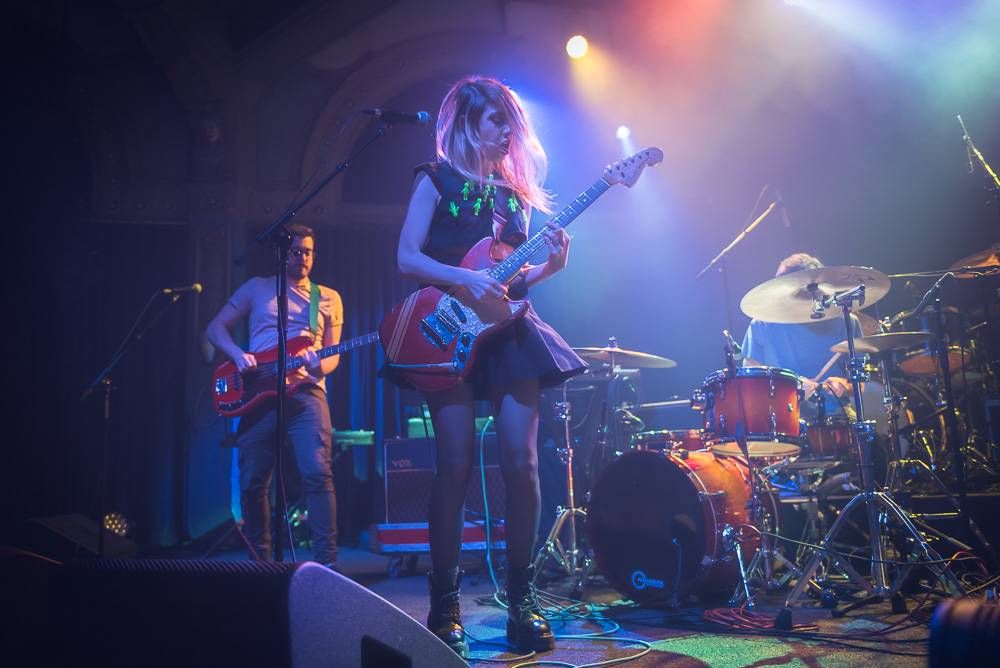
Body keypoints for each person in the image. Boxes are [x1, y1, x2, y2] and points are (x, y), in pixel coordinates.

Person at [386, 76, 586, 656]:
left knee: (523, 464)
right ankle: (445, 605)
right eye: (497, 121)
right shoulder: (435, 179)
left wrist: (550, 270)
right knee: (453, 464)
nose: (507, 133)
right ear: (468, 123)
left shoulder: (512, 194)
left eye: (512, 124)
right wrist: (463, 278)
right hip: (447, 327)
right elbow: (407, 257)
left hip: (508, 332)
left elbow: (511, 279)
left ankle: (521, 602)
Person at [206, 224, 343, 570]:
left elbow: (333, 355)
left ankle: (327, 566)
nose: (303, 258)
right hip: (257, 391)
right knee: (253, 482)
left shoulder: (328, 297)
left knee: (317, 473)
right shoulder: (257, 288)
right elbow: (214, 328)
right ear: (282, 253)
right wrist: (238, 355)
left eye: (308, 252)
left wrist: (318, 364)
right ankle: (260, 565)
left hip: (306, 393)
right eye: (296, 251)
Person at [740, 253, 863, 421]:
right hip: (783, 420)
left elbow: (859, 385)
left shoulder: (846, 321)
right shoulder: (761, 324)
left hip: (837, 418)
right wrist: (792, 390)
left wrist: (843, 386)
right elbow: (750, 387)